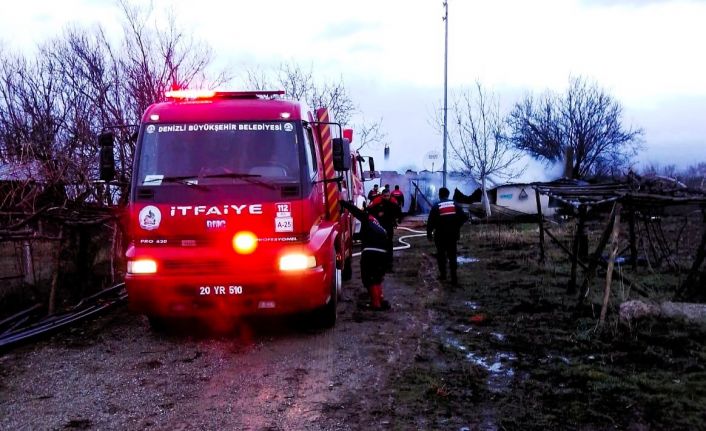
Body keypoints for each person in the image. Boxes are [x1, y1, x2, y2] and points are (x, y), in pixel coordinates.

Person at [340, 200, 391, 310]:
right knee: (377, 277)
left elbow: (355, 210)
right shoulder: (379, 224)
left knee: (369, 278)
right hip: (383, 254)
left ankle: (375, 304)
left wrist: (342, 202)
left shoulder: (368, 217)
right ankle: (380, 299)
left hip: (370, 252)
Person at [426, 187, 468, 285]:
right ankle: (454, 278)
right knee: (452, 256)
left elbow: (430, 222)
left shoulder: (436, 206)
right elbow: (464, 218)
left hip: (440, 236)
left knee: (441, 255)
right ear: (448, 195)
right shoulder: (455, 204)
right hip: (452, 235)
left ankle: (443, 275)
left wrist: (429, 234)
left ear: (439, 195)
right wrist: (457, 226)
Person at [367, 189, 401, 272]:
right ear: (382, 196)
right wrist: (376, 215)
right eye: (385, 196)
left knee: (389, 244)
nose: (386, 197)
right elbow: (369, 210)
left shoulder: (393, 201)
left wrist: (397, 220)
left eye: (388, 196)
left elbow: (398, 211)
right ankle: (379, 264)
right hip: (379, 226)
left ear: (390, 195)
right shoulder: (376, 201)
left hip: (389, 225)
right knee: (379, 244)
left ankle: (389, 265)